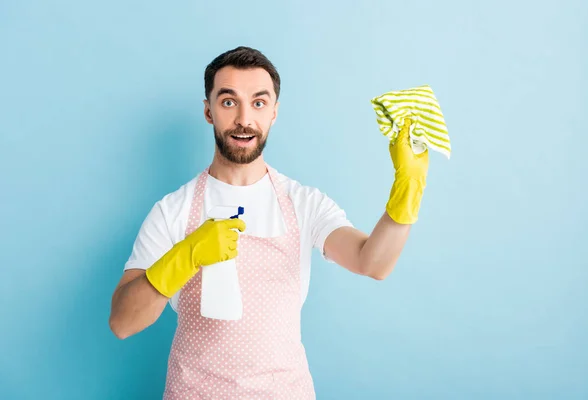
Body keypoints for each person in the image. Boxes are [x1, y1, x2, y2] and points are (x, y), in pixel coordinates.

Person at [109, 46, 428, 399]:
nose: (244, 119)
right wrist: (186, 256)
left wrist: (407, 190)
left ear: (274, 112)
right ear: (208, 111)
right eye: (229, 102)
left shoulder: (303, 203)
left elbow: (374, 262)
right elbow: (123, 323)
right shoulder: (173, 210)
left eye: (258, 103)